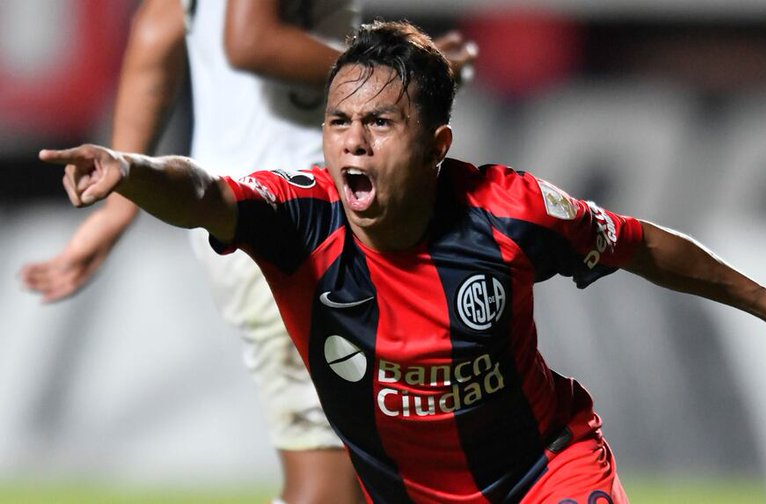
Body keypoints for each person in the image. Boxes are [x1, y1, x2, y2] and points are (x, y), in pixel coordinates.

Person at [37, 20, 766, 504]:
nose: (352, 143)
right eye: (338, 123)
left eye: (379, 124)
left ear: (438, 144)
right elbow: (200, 191)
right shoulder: (298, 217)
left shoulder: (511, 210)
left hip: (543, 473)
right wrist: (132, 170)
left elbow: (642, 243)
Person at [19, 2, 475, 503]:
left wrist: (121, 201)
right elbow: (250, 41)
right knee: (330, 483)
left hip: (263, 210)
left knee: (368, 472)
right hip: (293, 221)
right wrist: (397, 80)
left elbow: (159, 26)